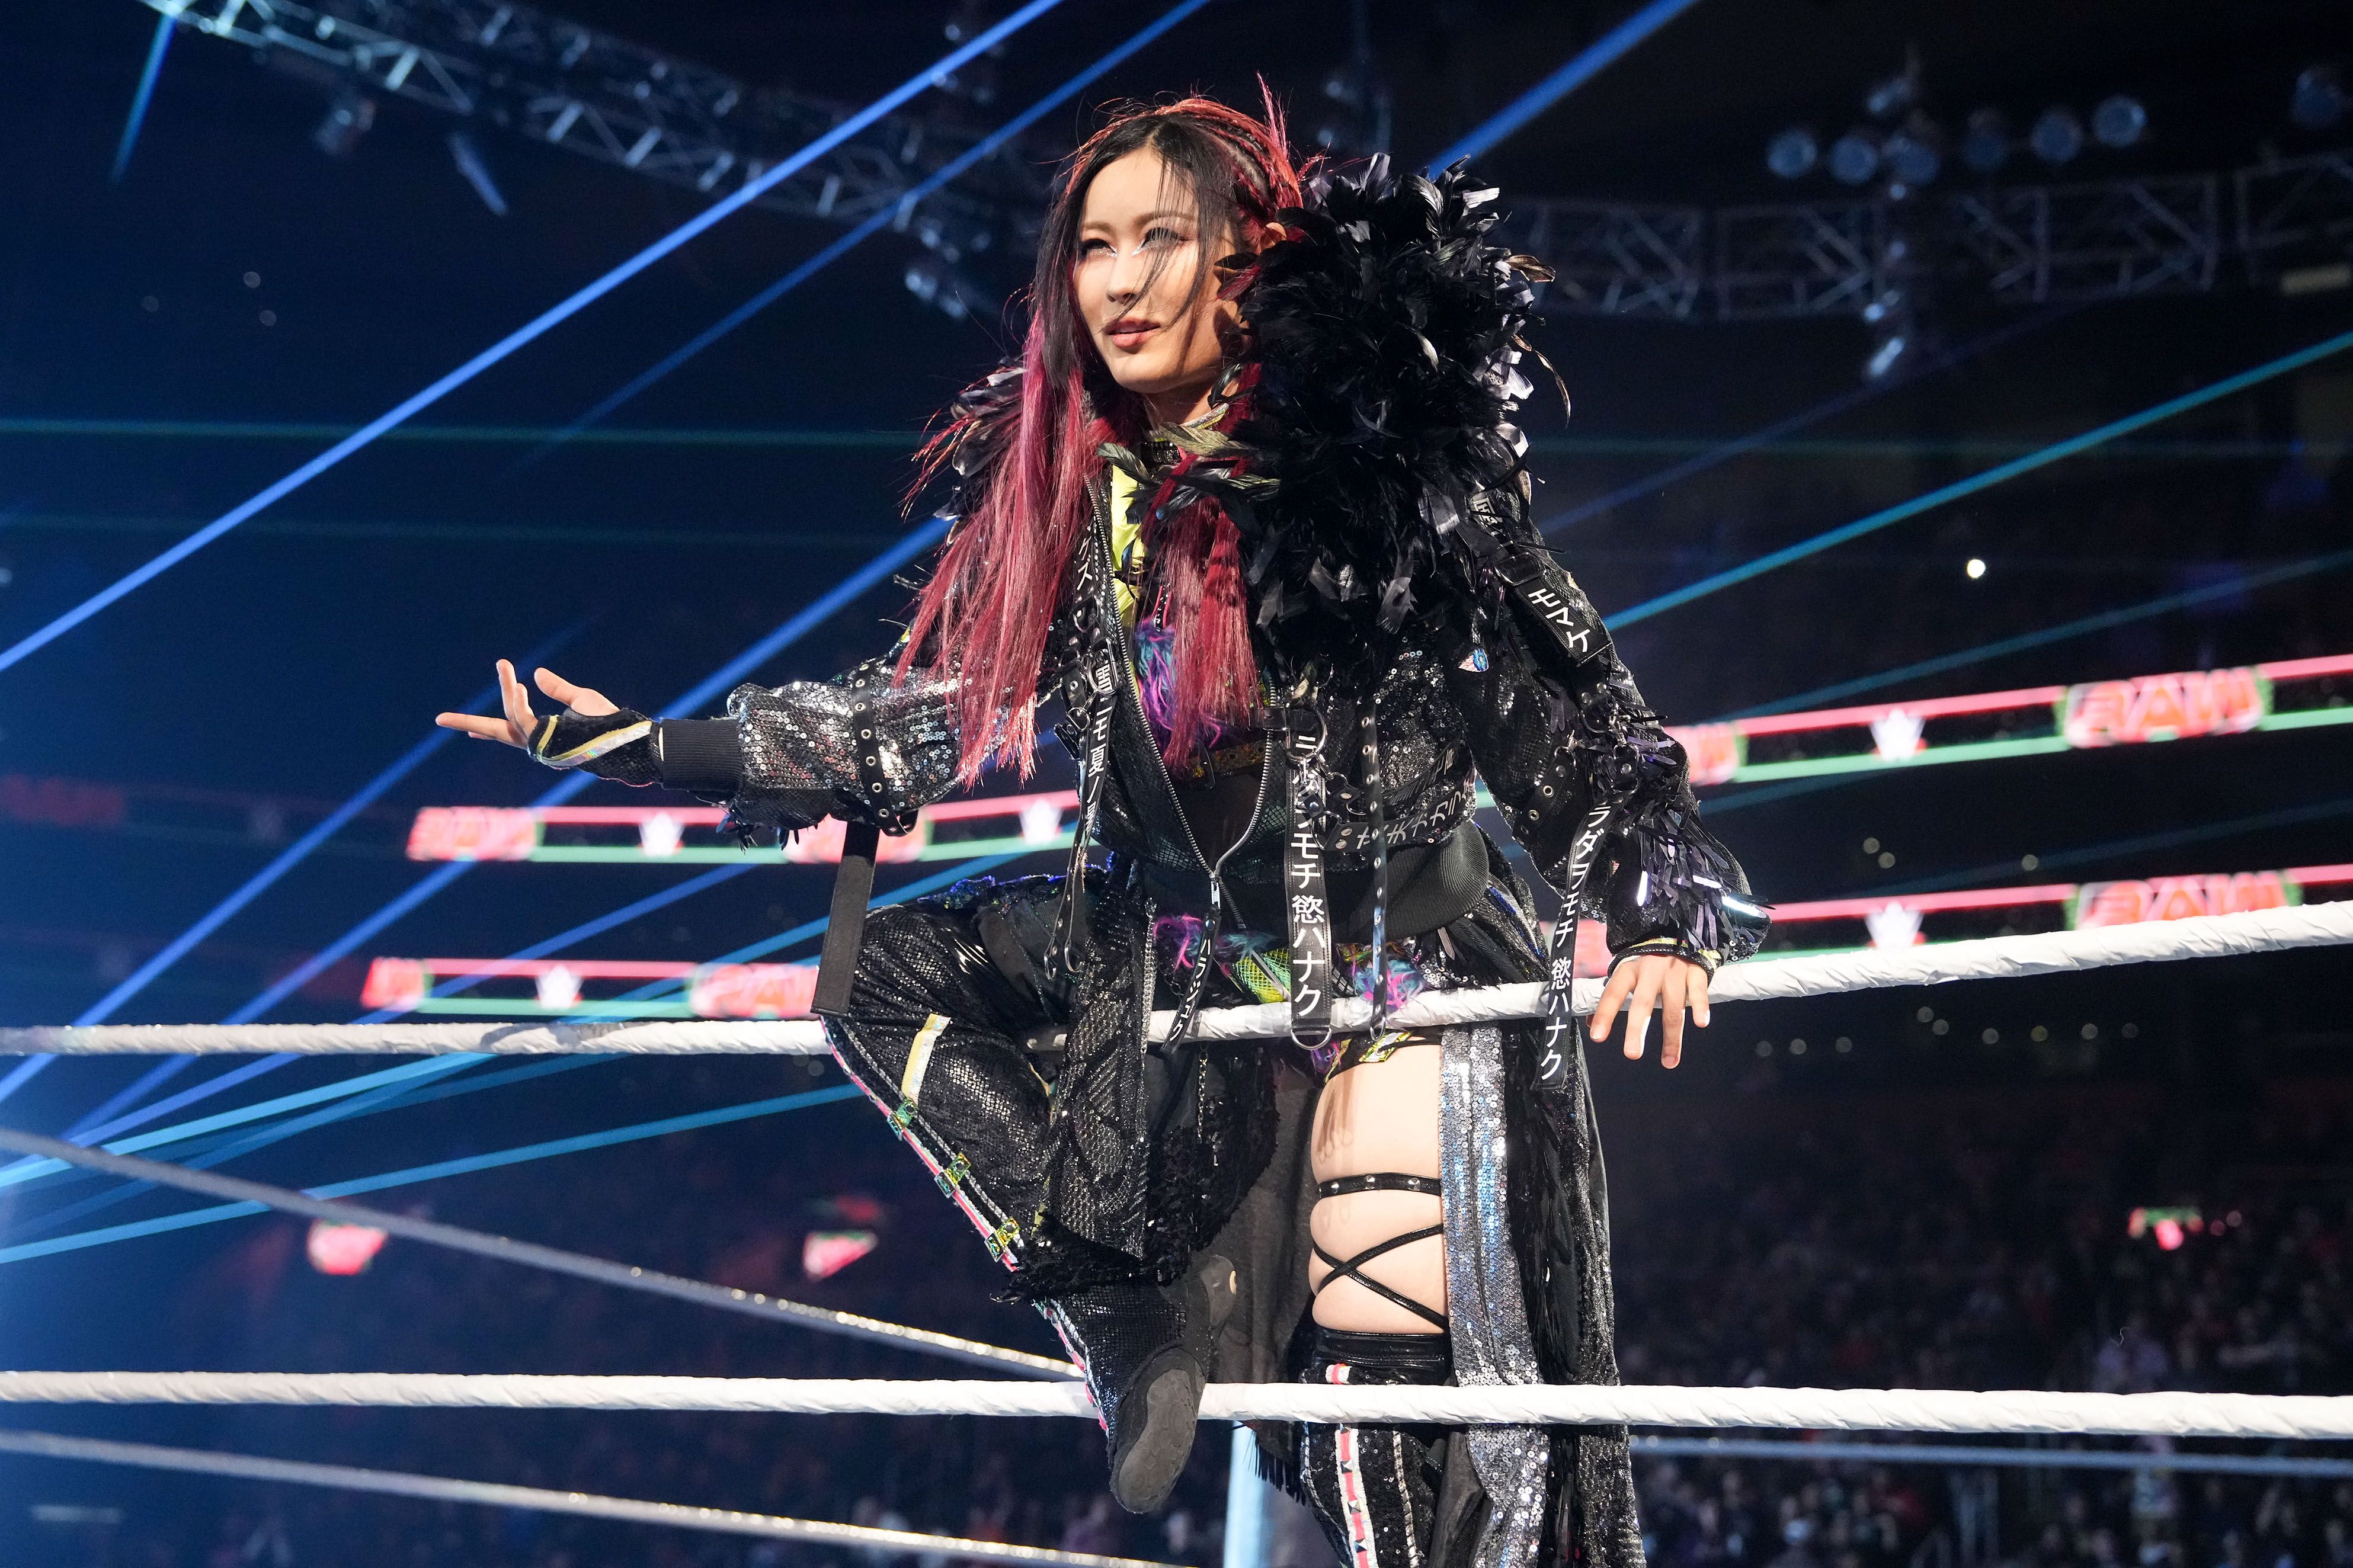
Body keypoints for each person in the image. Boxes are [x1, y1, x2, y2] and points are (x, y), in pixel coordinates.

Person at [440, 92, 1766, 1568]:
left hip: (1401, 956)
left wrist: (1658, 901)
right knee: (871, 971)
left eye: (1160, 241)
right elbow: (923, 717)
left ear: (1245, 261)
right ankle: (1116, 1305)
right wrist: (651, 746)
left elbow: (1559, 686)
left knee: (1383, 1321)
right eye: (1092, 248)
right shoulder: (1081, 496)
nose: (1121, 283)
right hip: (1173, 956)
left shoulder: (1390, 453)